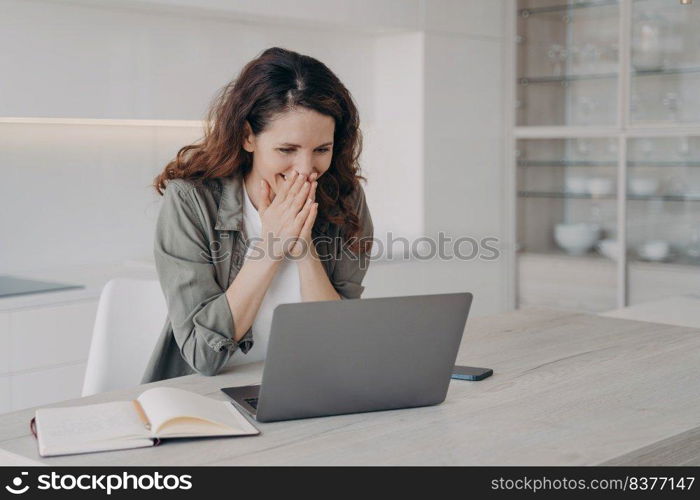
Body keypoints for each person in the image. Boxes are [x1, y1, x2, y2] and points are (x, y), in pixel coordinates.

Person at [141, 47, 373, 383]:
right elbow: (201, 356)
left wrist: (304, 246)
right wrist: (271, 245)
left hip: (309, 385)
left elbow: (337, 346)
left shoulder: (346, 200)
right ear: (248, 136)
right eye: (287, 150)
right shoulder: (191, 201)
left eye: (322, 149)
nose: (306, 170)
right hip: (208, 395)